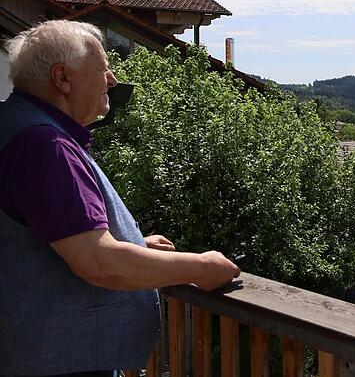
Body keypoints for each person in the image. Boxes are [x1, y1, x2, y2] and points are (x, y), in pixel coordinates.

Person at [0, 20, 240, 376]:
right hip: (57, 365)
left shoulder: (13, 123)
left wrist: (132, 245)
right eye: (103, 69)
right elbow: (97, 262)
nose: (112, 80)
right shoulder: (43, 145)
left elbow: (39, 235)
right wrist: (202, 268)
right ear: (62, 78)